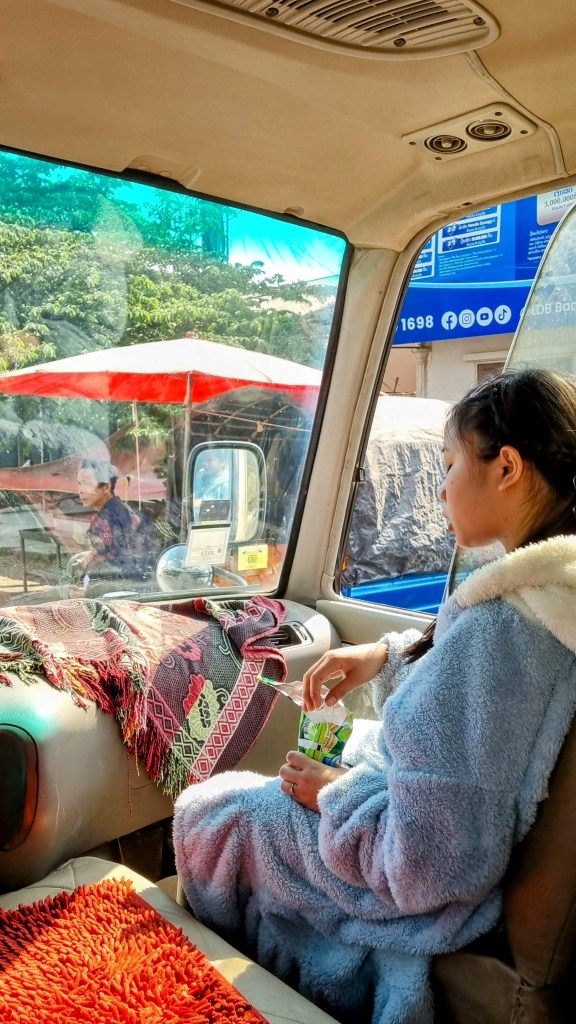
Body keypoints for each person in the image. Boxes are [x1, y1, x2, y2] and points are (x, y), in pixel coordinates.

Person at [173, 368, 576, 1024]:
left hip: (423, 894)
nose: (441, 490)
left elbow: (429, 866)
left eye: (449, 465)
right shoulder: (554, 598)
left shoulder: (502, 631)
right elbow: (471, 720)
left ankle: (220, 1000)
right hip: (437, 843)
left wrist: (333, 793)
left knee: (210, 816)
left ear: (506, 467)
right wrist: (384, 657)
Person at [63, 458, 152, 591]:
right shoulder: (123, 510)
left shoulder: (104, 522)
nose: (80, 490)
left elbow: (108, 565)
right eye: (79, 483)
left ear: (106, 487)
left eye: (87, 483)